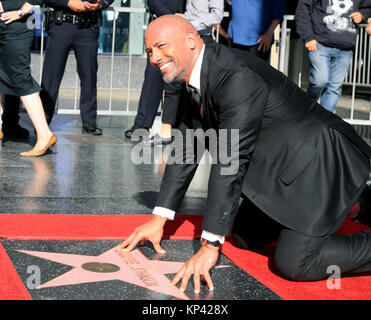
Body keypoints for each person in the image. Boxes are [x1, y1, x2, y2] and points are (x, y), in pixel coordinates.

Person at [118, 15, 371, 293]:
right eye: (149, 51)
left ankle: (353, 201)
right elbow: (188, 149)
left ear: (190, 40)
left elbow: (230, 159)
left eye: (161, 46)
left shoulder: (235, 76)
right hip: (282, 165)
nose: (155, 57)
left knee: (295, 263)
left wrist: (210, 246)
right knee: (242, 236)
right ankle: (354, 204)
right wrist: (159, 219)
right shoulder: (190, 79)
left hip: (320, 162)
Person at [142, 0, 224, 146]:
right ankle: (166, 131)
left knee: (201, 87)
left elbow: (217, 15)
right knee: (173, 85)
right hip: (182, 38)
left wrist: (190, 23)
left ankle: (205, 131)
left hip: (200, 40)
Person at [38, 0, 114, 135]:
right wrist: (67, 3)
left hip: (88, 26)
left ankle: (89, 121)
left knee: (89, 76)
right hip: (61, 24)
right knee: (51, 76)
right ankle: (42, 121)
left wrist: (101, 3)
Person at [0, 1, 57, 156]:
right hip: (6, 23)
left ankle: (45, 134)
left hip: (17, 24)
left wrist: (20, 11)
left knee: (20, 77)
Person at [124, 0, 185, 140]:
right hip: (161, 28)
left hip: (182, 30)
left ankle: (175, 126)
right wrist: (174, 18)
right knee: (153, 79)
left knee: (180, 81)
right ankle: (142, 125)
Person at [295, 0, 371, 113]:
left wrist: (362, 15)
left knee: (334, 88)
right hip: (319, 44)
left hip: (346, 47)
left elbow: (367, 7)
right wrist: (308, 37)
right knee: (319, 81)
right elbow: (302, 10)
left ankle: (325, 123)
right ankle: (306, 113)